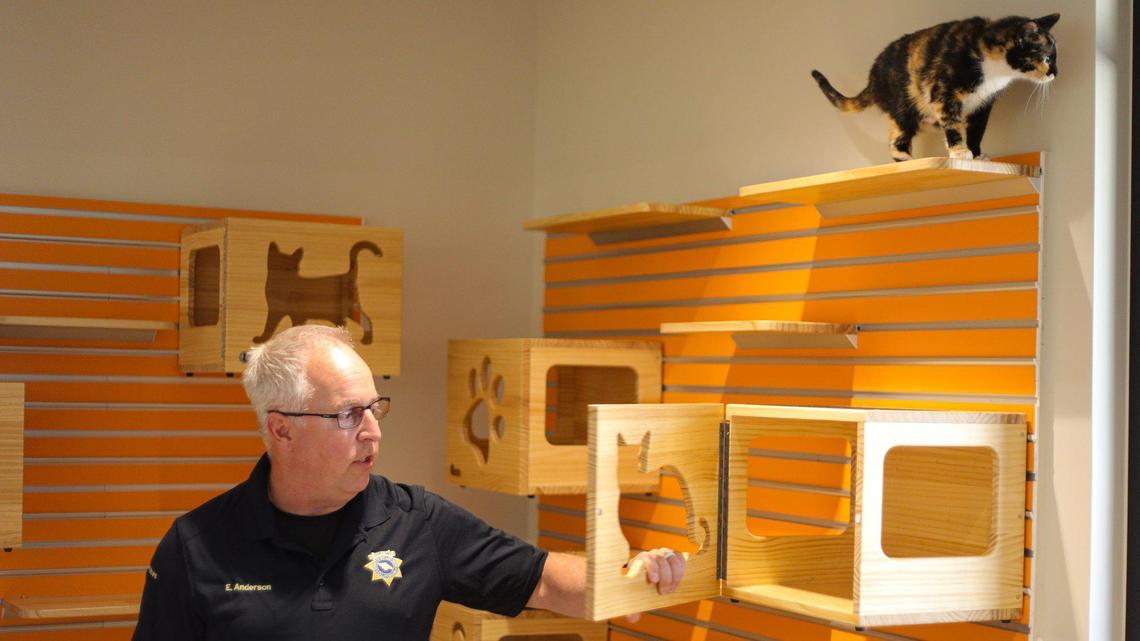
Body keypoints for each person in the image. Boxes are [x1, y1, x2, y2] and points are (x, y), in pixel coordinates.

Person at [133, 325, 685, 640]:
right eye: (348, 415)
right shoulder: (195, 547)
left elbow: (541, 579)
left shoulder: (418, 522)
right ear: (281, 429)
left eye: (375, 409)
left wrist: (628, 576)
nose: (373, 432)